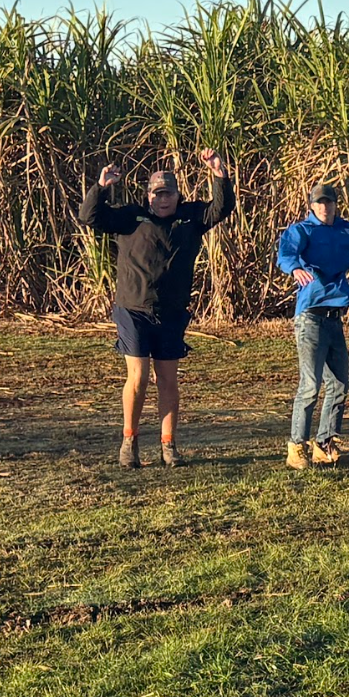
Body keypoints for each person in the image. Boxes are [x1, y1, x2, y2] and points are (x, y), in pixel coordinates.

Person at [78, 150, 235, 467]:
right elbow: (89, 216)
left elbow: (221, 208)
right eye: (157, 193)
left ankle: (168, 446)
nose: (163, 199)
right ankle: (129, 442)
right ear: (148, 196)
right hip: (133, 309)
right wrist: (102, 186)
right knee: (138, 378)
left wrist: (219, 174)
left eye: (169, 193)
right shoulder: (131, 218)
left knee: (168, 379)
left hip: (172, 312)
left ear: (177, 195)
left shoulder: (190, 218)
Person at [275, 183, 349, 470]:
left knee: (339, 384)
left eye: (329, 202)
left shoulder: (347, 230)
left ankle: (324, 444)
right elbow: (286, 255)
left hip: (335, 319)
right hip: (310, 317)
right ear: (311, 206)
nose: (324, 207)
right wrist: (295, 268)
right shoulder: (302, 231)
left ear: (336, 204)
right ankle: (297, 447)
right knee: (310, 385)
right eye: (319, 203)